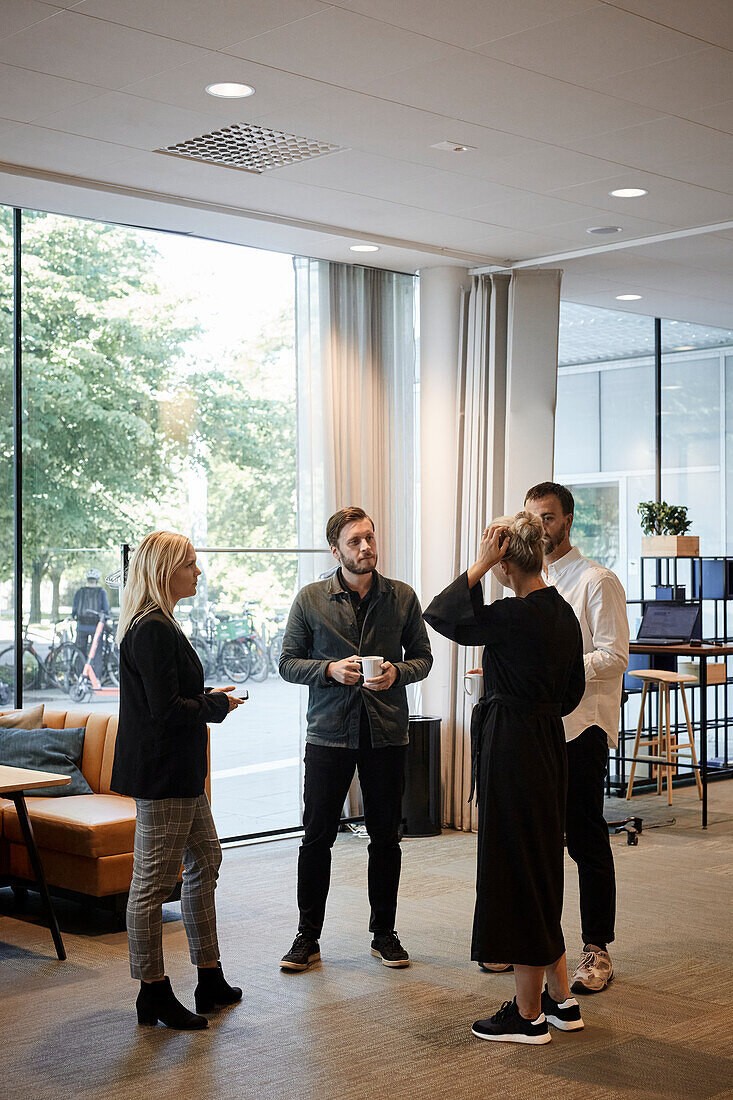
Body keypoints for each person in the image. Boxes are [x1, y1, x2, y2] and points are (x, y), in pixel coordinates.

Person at [424, 513, 586, 1045]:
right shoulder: (561, 611)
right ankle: (562, 1002)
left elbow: (442, 615)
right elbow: (572, 694)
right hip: (544, 744)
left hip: (512, 749)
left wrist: (482, 561)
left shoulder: (514, 614)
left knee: (515, 872)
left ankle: (528, 1015)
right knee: (540, 867)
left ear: (506, 559)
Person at [278, 506, 433, 972]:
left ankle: (384, 933)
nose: (365, 548)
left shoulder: (402, 597)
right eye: (354, 542)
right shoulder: (310, 598)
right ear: (335, 550)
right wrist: (328, 669)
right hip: (328, 734)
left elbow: (423, 658)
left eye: (369, 537)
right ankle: (308, 935)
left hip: (386, 733)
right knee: (316, 837)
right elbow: (286, 663)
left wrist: (396, 673)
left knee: (386, 836)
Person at [111, 531, 246, 1030]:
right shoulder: (151, 629)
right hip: (164, 773)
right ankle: (153, 992)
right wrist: (217, 705)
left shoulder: (160, 624)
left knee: (206, 858)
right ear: (166, 570)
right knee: (150, 887)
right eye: (190, 563)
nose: (198, 571)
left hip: (180, 772)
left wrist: (208, 694)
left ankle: (208, 976)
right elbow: (165, 712)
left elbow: (167, 695)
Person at [524, 482, 629, 994]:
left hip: (584, 726)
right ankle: (537, 946)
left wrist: (556, 668)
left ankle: (597, 949)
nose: (539, 528)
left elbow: (614, 656)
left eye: (547, 518)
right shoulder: (529, 583)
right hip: (541, 727)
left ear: (568, 519)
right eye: (533, 519)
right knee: (540, 841)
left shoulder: (596, 581)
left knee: (586, 839)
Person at [72, 568, 111, 679]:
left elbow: (74, 610)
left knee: (80, 651)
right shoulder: (101, 592)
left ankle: (80, 676)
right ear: (97, 580)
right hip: (96, 627)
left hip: (81, 626)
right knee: (97, 653)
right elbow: (106, 610)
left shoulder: (80, 592)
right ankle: (96, 678)